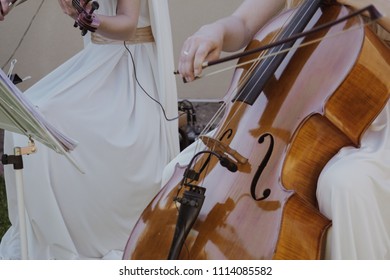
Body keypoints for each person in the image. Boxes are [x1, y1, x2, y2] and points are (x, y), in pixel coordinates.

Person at [170, 0, 390, 259]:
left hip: (376, 110)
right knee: (185, 169)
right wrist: (214, 30)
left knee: (343, 183)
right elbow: (242, 23)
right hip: (301, 106)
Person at [0, 0, 179, 259]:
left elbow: (128, 25)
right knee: (29, 116)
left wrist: (86, 18)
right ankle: (47, 234)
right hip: (99, 59)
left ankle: (75, 237)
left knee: (45, 115)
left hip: (131, 71)